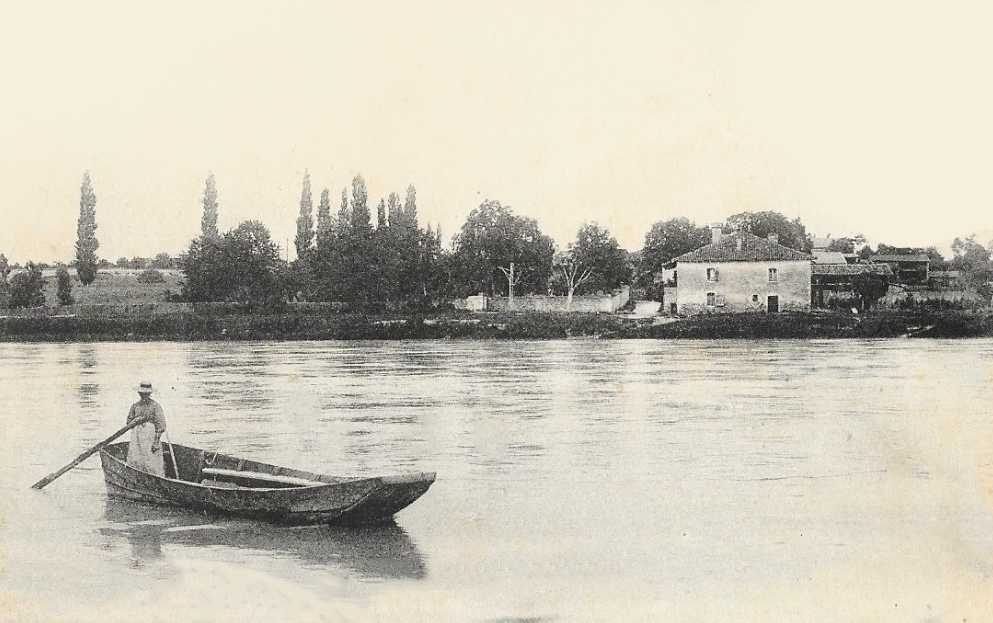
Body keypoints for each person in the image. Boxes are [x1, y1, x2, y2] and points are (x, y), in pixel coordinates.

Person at [126, 382, 168, 477]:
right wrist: (135, 421)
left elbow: (161, 425)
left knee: (151, 459)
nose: (143, 395)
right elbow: (128, 422)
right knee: (136, 459)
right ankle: (137, 477)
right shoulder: (135, 406)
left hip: (149, 435)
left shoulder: (155, 406)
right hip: (136, 436)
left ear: (149, 394)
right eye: (142, 393)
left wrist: (156, 442)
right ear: (139, 393)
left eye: (146, 393)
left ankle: (155, 478)